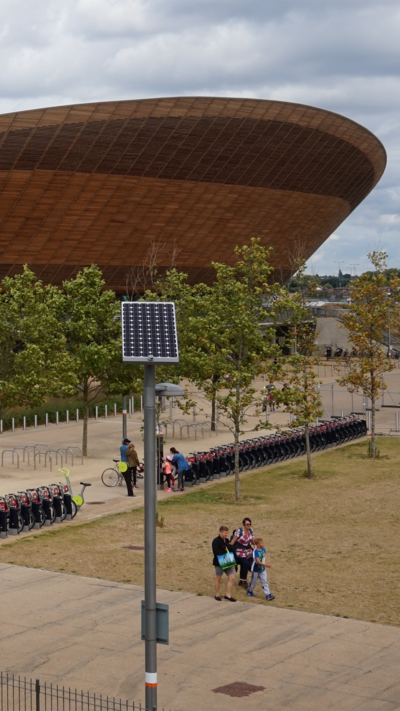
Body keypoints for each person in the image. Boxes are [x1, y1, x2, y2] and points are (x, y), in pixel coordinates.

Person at [212, 525, 236, 602]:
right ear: (220, 532)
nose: (226, 535)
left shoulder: (227, 540)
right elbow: (216, 552)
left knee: (232, 577)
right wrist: (225, 551)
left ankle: (228, 595)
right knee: (218, 578)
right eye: (225, 533)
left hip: (227, 561)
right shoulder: (215, 541)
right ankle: (217, 594)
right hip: (219, 562)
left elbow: (230, 550)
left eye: (227, 533)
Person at [247, 537, 275, 601]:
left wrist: (264, 565)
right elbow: (258, 561)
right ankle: (249, 591)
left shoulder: (263, 550)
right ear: (258, 544)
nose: (263, 544)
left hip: (262, 569)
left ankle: (268, 594)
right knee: (253, 581)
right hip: (255, 569)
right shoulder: (255, 551)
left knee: (264, 581)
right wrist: (266, 565)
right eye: (262, 543)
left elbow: (263, 558)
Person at [230, 517, 254, 588]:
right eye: (247, 524)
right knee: (245, 563)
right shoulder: (239, 531)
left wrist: (256, 545)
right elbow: (233, 542)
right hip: (239, 551)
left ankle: (242, 580)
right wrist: (229, 548)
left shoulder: (251, 531)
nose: (249, 525)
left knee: (249, 565)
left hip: (248, 551)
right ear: (244, 524)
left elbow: (252, 541)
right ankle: (243, 580)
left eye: (249, 524)